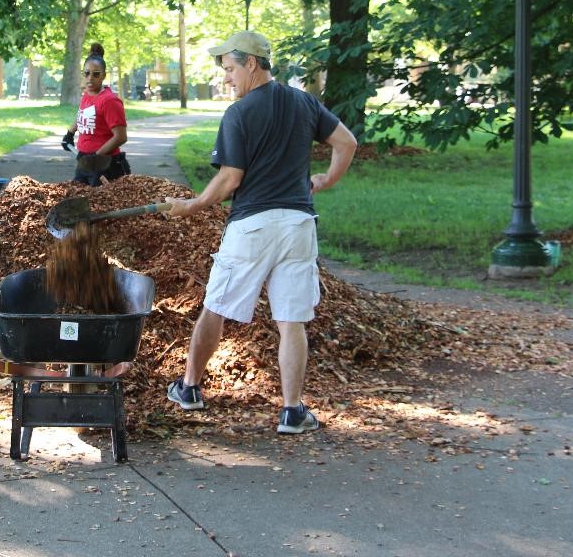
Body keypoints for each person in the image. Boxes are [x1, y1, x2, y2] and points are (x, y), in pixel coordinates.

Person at [162, 30, 357, 435]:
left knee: (215, 306)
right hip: (299, 225)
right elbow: (346, 142)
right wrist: (326, 180)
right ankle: (292, 411)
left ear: (252, 63)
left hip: (253, 225)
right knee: (291, 320)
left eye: (230, 69)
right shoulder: (304, 102)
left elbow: (231, 179)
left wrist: (192, 205)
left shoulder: (240, 113)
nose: (227, 79)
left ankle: (190, 388)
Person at [61, 43, 132, 185]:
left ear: (104, 75)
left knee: (100, 205)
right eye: (86, 73)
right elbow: (83, 113)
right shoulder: (88, 94)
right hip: (85, 162)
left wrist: (96, 156)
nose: (90, 78)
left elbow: (121, 137)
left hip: (106, 166)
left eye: (96, 74)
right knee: (78, 199)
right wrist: (70, 133)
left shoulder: (110, 101)